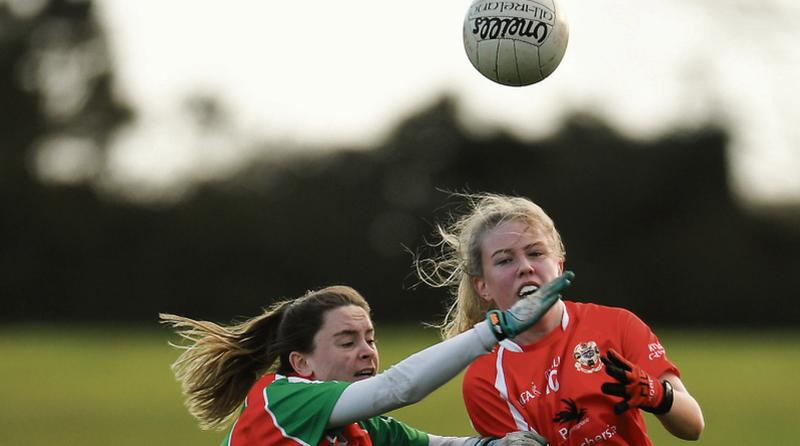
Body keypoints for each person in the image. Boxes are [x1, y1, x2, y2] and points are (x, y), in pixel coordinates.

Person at [414, 193, 704, 446]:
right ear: (483, 286)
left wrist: (658, 395)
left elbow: (693, 426)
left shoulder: (616, 325)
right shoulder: (485, 379)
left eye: (536, 253)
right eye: (505, 260)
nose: (525, 267)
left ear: (559, 265)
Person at [160, 278, 572, 446]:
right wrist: (494, 329)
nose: (366, 351)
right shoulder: (282, 400)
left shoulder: (359, 429)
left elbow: (433, 445)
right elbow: (399, 388)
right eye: (346, 341)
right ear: (302, 364)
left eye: (369, 339)